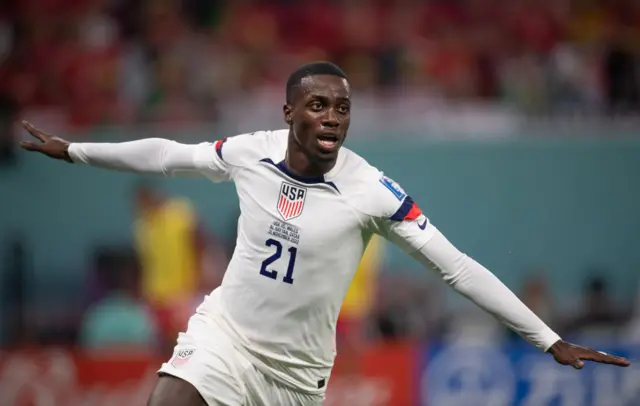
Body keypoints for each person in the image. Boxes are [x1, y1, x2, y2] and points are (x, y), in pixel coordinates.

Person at [20, 62, 629, 406]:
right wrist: (74, 150)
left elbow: (457, 267)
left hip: (296, 376)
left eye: (341, 108)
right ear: (289, 113)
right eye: (317, 106)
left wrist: (547, 338)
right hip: (224, 339)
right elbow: (166, 156)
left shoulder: (373, 192)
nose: (331, 118)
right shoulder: (249, 154)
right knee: (168, 400)